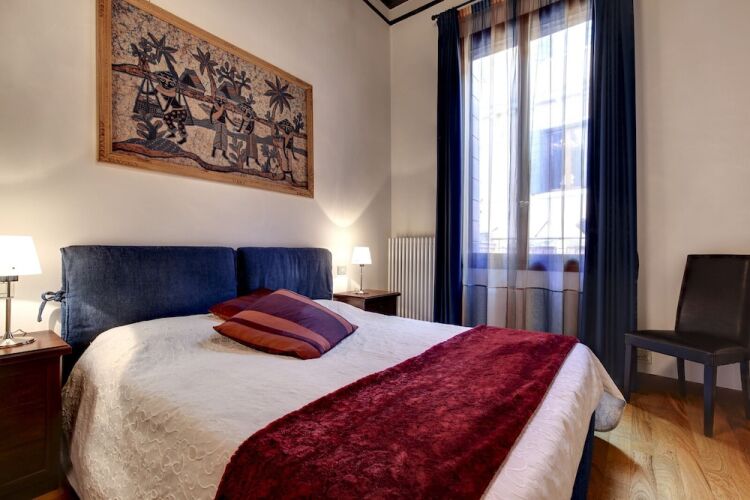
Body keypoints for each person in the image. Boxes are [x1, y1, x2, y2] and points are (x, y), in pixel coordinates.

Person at [153, 72, 188, 145]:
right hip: (175, 110)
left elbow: (169, 102)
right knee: (166, 118)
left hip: (181, 111)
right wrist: (143, 91)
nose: (166, 84)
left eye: (170, 82)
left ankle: (184, 138)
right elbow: (153, 93)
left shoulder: (172, 92)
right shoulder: (159, 87)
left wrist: (165, 109)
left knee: (180, 124)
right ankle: (173, 132)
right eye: (163, 80)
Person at [236, 100, 260, 167]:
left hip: (251, 132)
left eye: (244, 109)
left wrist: (250, 132)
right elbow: (242, 122)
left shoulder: (251, 115)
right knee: (248, 145)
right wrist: (239, 129)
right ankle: (247, 160)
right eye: (243, 109)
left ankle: (256, 160)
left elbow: (252, 126)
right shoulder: (244, 115)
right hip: (247, 131)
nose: (243, 110)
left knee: (254, 146)